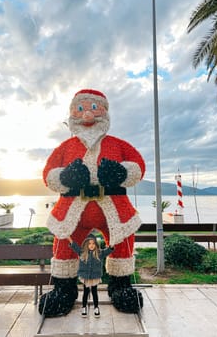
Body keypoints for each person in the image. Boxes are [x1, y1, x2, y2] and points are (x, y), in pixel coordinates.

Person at [40, 89, 145, 317]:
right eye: (80, 108)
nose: (87, 114)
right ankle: (63, 291)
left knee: (123, 242)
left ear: (104, 112)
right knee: (64, 246)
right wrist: (65, 176)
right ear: (72, 114)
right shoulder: (65, 148)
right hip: (72, 212)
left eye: (93, 108)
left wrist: (120, 172)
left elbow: (137, 166)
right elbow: (49, 174)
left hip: (114, 211)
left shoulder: (118, 145)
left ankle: (121, 286)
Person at [68, 233, 113, 317]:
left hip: (95, 276)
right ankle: (84, 307)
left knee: (94, 292)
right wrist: (68, 238)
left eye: (93, 243)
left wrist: (112, 245)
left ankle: (96, 307)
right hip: (86, 276)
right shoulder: (82, 252)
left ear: (96, 244)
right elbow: (74, 246)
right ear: (86, 244)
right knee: (85, 292)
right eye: (89, 243)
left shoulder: (100, 253)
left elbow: (108, 250)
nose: (91, 245)